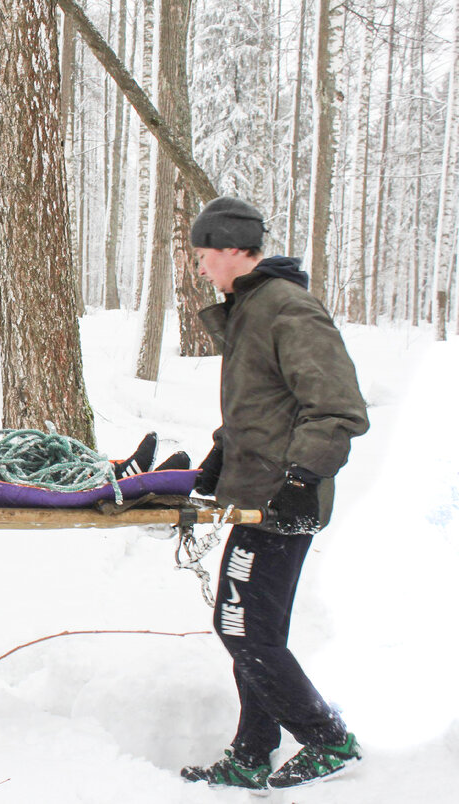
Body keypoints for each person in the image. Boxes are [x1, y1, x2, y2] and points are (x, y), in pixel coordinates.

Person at [179, 197, 369, 791]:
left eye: (205, 254)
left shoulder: (287, 308)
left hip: (283, 499)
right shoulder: (252, 308)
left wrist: (300, 480)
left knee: (243, 629)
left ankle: (328, 739)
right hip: (257, 493)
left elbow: (336, 407)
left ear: (235, 248)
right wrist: (218, 455)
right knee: (249, 628)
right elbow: (260, 405)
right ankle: (252, 753)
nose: (201, 268)